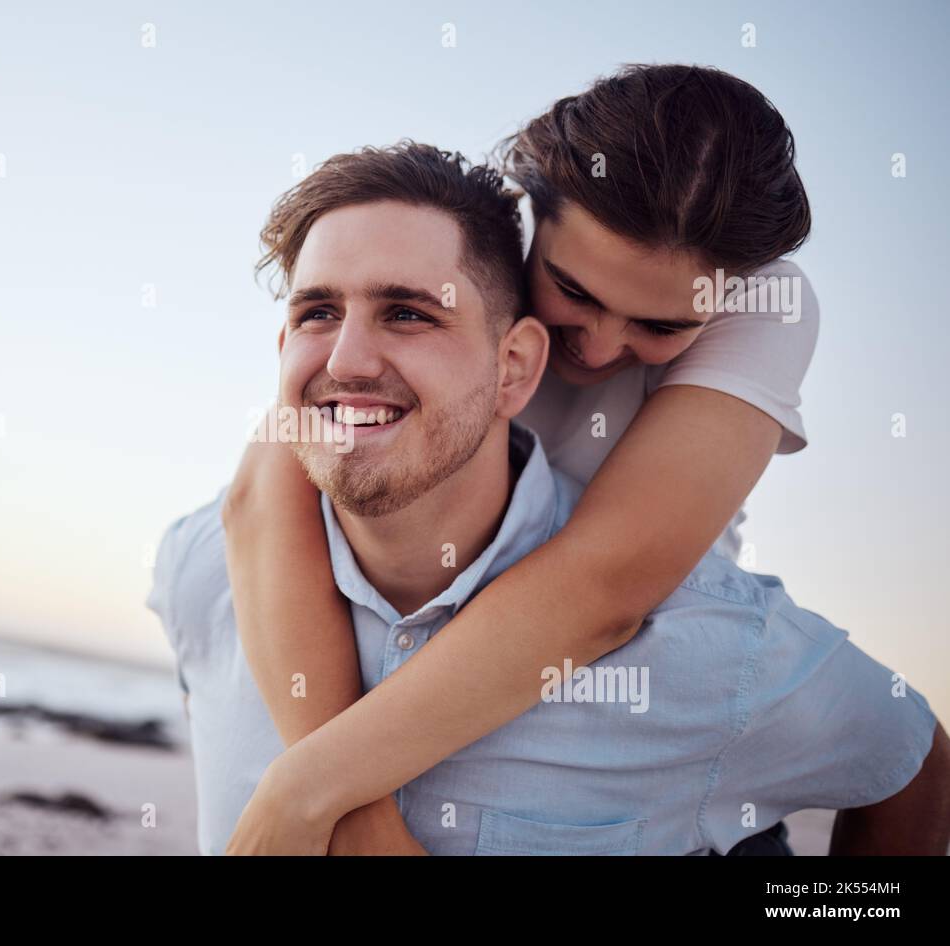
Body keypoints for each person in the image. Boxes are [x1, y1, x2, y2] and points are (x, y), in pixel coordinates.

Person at [147, 142, 950, 855]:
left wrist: (311, 791)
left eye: (658, 324)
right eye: (571, 289)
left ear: (513, 362)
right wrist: (344, 802)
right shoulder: (205, 571)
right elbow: (261, 497)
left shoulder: (709, 645)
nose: (598, 347)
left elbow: (604, 589)